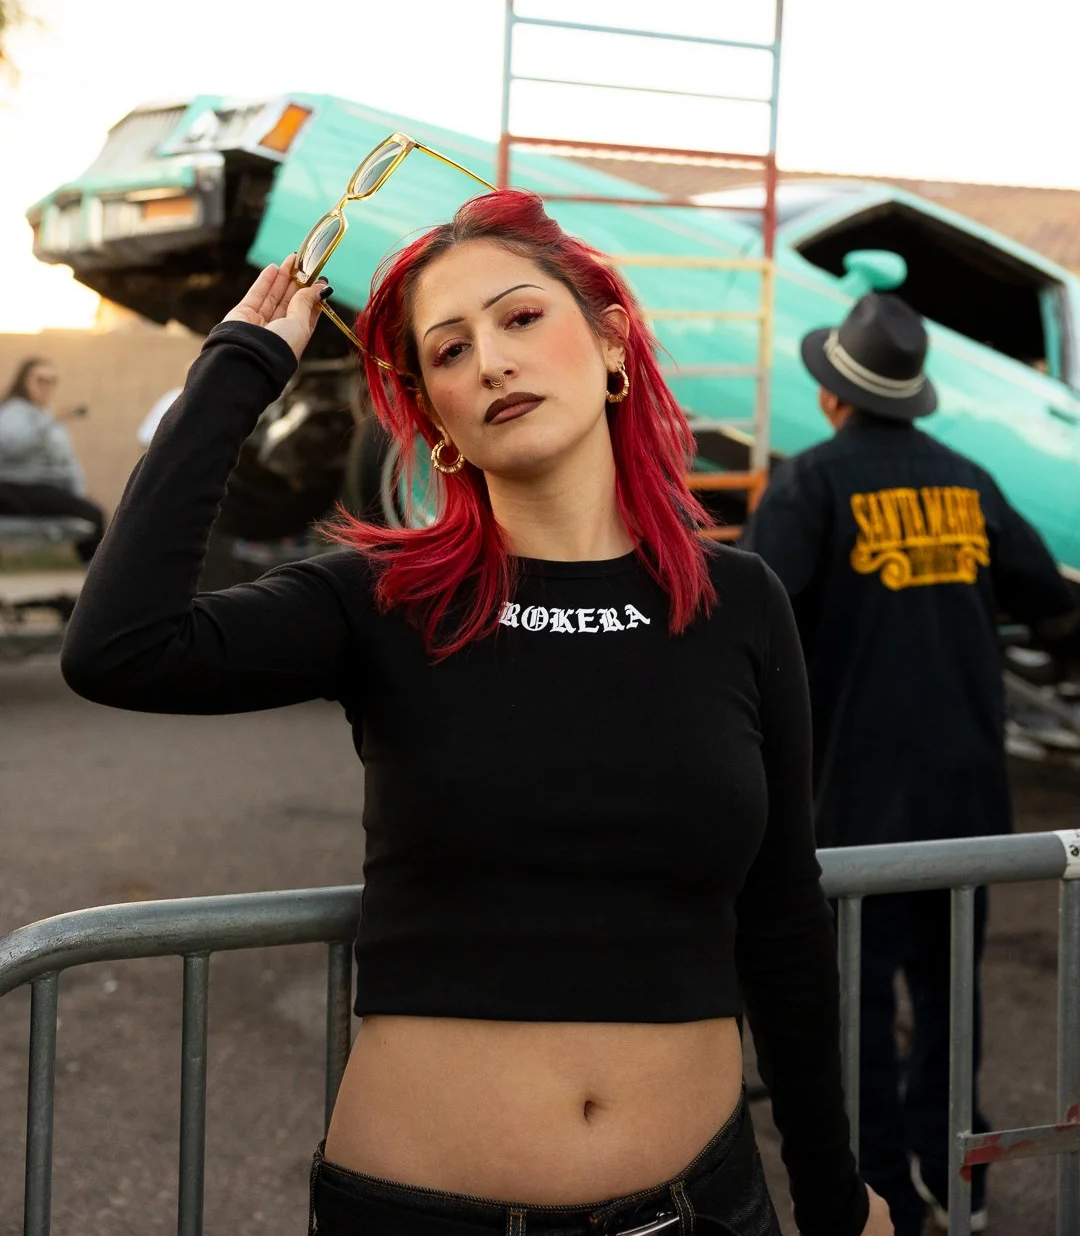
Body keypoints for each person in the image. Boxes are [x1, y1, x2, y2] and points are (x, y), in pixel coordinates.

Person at [61, 189, 891, 1236]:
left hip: (707, 1206)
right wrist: (240, 364)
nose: (490, 361)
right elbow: (121, 648)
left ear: (613, 342)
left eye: (521, 318)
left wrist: (830, 1191)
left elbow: (781, 922)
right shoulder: (383, 599)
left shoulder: (740, 605)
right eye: (446, 353)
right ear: (435, 421)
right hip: (426, 1213)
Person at [743, 292, 1074, 1236]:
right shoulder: (967, 481)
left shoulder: (809, 486)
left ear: (835, 394)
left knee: (854, 1008)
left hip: (855, 807)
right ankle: (957, 1181)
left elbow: (756, 625)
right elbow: (1049, 598)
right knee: (947, 999)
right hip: (967, 800)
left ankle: (882, 1193)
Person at [0, 356, 105, 563]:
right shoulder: (14, 410)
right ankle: (101, 582)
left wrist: (79, 493)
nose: (46, 386)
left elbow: (68, 461)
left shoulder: (49, 416)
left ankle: (97, 580)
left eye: (52, 380)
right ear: (24, 380)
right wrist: (49, 421)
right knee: (93, 516)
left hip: (47, 489)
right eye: (40, 380)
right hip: (15, 487)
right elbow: (12, 447)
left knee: (93, 514)